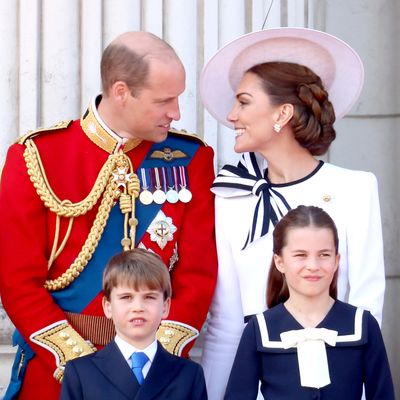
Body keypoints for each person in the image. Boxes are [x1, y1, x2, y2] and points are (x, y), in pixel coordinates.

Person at [0, 31, 217, 400]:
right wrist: (84, 366)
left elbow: (197, 277)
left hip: (153, 375)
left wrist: (150, 359)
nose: (176, 112)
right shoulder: (36, 156)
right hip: (58, 372)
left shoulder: (191, 159)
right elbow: (17, 281)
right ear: (121, 92)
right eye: (164, 100)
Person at [199, 27, 385, 399]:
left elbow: (366, 310)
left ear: (282, 112)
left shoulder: (356, 188)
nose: (232, 115)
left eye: (244, 102)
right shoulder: (230, 197)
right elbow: (225, 326)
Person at [224, 205, 394, 399]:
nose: (313, 266)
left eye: (324, 255)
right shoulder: (259, 328)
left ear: (337, 260)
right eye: (300, 255)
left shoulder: (362, 324)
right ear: (280, 262)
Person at [60, 249, 208, 400]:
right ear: (107, 306)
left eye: (149, 297)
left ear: (165, 306)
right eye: (126, 297)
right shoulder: (81, 373)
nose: (138, 307)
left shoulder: (189, 375)